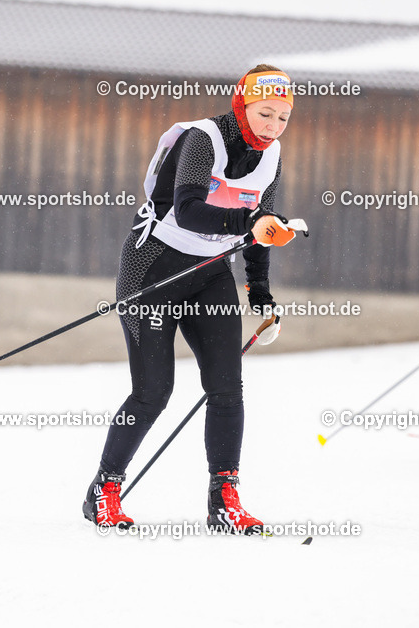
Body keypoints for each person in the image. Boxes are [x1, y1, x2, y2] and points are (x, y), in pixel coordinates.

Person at [82, 65, 301, 533]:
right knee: (153, 391)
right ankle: (104, 489)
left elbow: (262, 225)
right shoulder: (204, 138)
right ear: (242, 106)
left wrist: (259, 293)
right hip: (155, 267)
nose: (273, 126)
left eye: (283, 118)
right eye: (265, 114)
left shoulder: (272, 155)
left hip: (208, 273)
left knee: (227, 387)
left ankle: (223, 499)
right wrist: (248, 225)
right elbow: (187, 209)